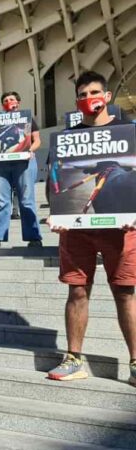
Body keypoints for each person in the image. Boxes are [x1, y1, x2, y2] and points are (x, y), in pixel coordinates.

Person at [45, 71, 136, 387]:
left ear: (107, 96)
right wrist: (55, 214)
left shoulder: (129, 131)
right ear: (76, 101)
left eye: (94, 92)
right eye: (82, 95)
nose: (89, 99)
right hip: (78, 228)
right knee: (77, 290)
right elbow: (54, 179)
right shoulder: (67, 138)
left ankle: (135, 363)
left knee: (125, 292)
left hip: (121, 226)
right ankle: (74, 359)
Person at [0, 91, 43, 247]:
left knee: (26, 200)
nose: (8, 102)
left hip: (23, 162)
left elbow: (37, 140)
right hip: (0, 164)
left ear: (18, 103)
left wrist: (30, 150)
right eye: (5, 100)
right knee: (1, 201)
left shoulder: (27, 119)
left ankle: (34, 237)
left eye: (11, 99)